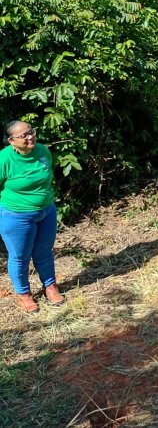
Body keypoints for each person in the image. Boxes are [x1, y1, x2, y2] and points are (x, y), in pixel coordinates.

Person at [0, 121, 64, 313]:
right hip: (16, 215)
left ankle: (50, 286)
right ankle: (24, 294)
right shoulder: (4, 159)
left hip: (46, 211)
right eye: (24, 136)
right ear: (11, 141)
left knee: (44, 251)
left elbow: (47, 176)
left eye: (32, 132)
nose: (30, 137)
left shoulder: (42, 151)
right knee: (20, 257)